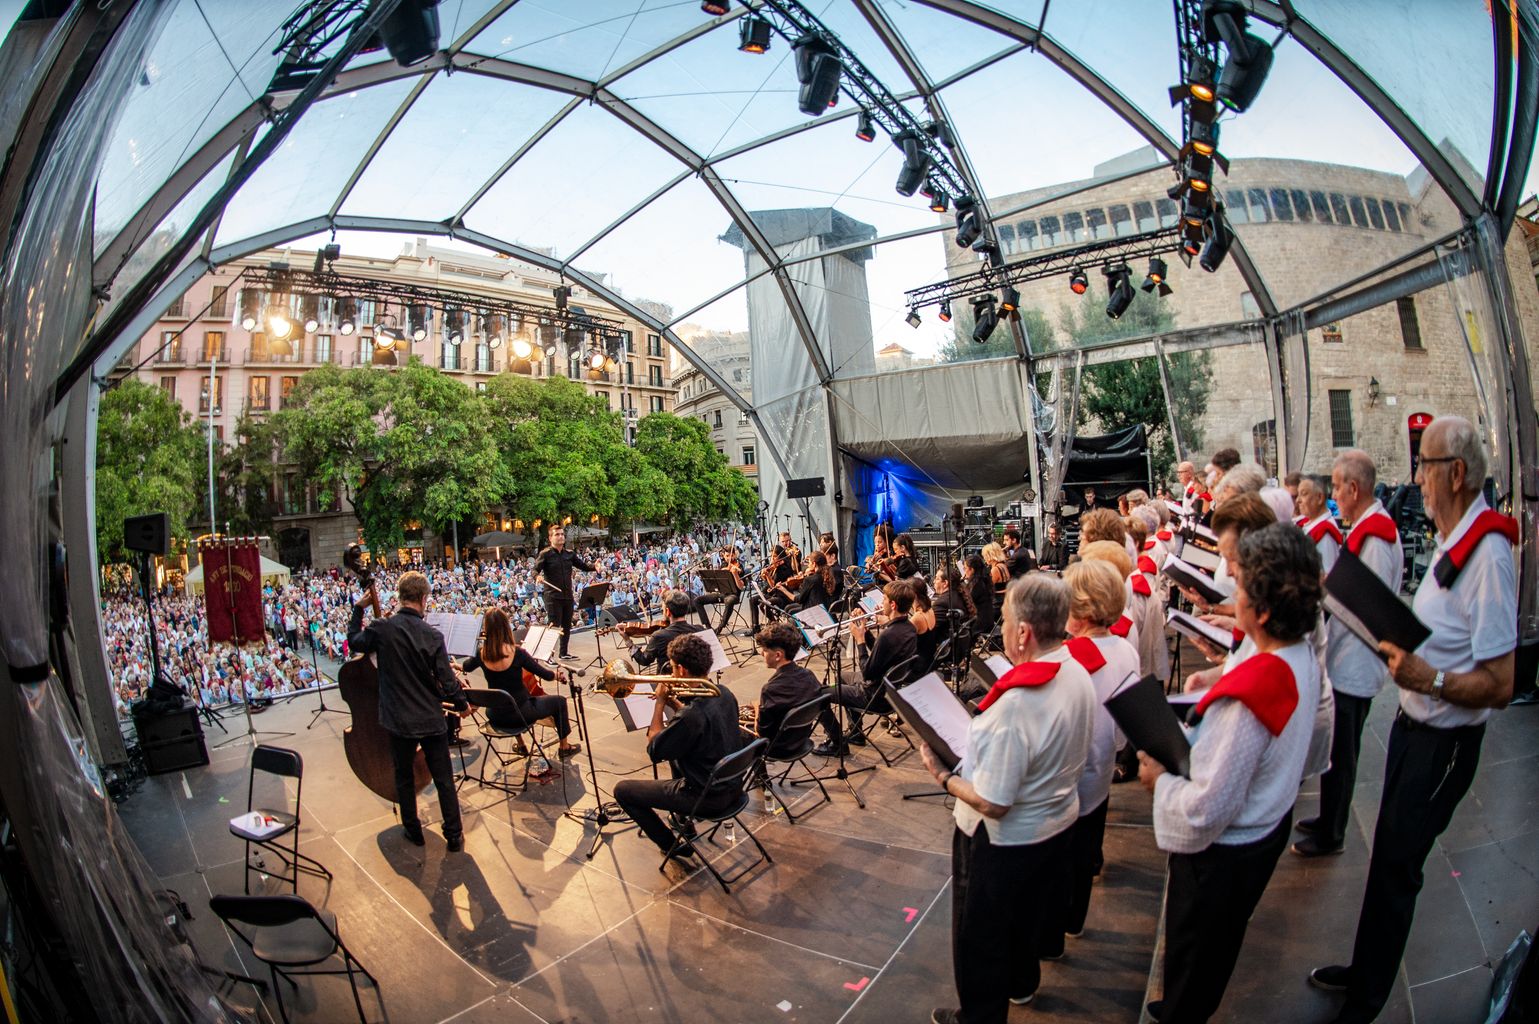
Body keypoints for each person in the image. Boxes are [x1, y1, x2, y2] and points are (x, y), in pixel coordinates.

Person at [1310, 416, 1517, 1024]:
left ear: (1455, 472)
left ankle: (1368, 999)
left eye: (1424, 465)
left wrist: (1432, 680)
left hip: (1444, 741)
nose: (1416, 479)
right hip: (1414, 727)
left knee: (1399, 865)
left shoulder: (1489, 554)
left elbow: (1501, 684)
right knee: (1387, 859)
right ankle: (1364, 969)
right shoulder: (1457, 539)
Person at [1139, 523, 1324, 1024]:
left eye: (1240, 586)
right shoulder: (1296, 650)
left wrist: (1161, 779)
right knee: (1210, 950)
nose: (1232, 594)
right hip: (1265, 826)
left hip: (1224, 859)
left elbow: (1206, 806)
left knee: (1196, 949)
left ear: (1262, 610)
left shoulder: (1246, 703)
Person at [921, 574, 1097, 1024]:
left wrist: (943, 776)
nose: (1000, 628)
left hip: (1003, 841)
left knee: (980, 937)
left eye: (1004, 620)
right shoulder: (1076, 668)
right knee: (1027, 917)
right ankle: (1022, 983)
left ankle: (980, 1015)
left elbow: (994, 801)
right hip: (1057, 823)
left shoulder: (1016, 706)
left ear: (1024, 632)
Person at [1293, 450, 1402, 859]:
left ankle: (1333, 831)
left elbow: (1367, 603)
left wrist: (1323, 591)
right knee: (1338, 747)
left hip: (1357, 659)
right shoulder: (1365, 529)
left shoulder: (1376, 534)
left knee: (1344, 751)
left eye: (1337, 486)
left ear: (1353, 489)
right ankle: (1327, 817)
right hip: (1347, 655)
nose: (1333, 493)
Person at [1044, 559, 1140, 954]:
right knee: (1086, 852)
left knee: (1056, 867)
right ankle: (1074, 921)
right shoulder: (1125, 648)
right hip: (1101, 769)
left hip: (1067, 782)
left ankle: (1049, 940)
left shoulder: (1069, 659)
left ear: (1080, 612)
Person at [347, 570, 472, 852]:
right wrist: (462, 705)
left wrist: (358, 609)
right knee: (443, 779)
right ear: (424, 598)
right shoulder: (431, 634)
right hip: (429, 716)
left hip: (397, 718)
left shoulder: (382, 629)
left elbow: (354, 640)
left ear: (401, 597)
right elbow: (447, 679)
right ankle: (454, 835)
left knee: (402, 775)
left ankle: (413, 830)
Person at [613, 633, 746, 860]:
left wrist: (660, 703)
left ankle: (670, 845)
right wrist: (676, 704)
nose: (672, 674)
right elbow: (700, 727)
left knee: (623, 791)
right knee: (678, 751)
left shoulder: (691, 716)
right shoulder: (725, 693)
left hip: (705, 798)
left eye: (673, 668)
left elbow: (654, 749)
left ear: (682, 670)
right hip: (734, 788)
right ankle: (680, 820)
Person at [457, 608, 580, 759]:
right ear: (506, 627)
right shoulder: (517, 653)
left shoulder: (481, 653)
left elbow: (466, 667)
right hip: (521, 714)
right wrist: (557, 675)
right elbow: (546, 676)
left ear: (486, 628)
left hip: (495, 715)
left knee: (507, 700)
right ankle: (564, 747)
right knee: (560, 702)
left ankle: (521, 745)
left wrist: (455, 665)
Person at [815, 580, 920, 756]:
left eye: (884, 599)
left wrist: (860, 640)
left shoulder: (888, 635)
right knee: (842, 676)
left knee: (818, 694)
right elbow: (882, 654)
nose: (881, 603)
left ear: (893, 605)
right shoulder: (909, 628)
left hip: (873, 694)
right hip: (890, 691)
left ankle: (836, 742)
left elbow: (867, 673)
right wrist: (866, 632)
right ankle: (856, 732)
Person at [749, 621, 822, 744]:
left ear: (778, 655)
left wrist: (757, 707)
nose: (762, 653)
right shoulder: (809, 675)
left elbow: (762, 732)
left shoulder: (770, 689)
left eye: (765, 650)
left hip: (778, 747)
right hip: (801, 739)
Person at [534, 524, 595, 661]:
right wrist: (537, 576)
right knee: (553, 626)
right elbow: (535, 570)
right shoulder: (546, 554)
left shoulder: (569, 554)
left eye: (562, 534)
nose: (560, 536)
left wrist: (594, 567)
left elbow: (583, 566)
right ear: (550, 538)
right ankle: (547, 655)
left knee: (566, 626)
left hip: (567, 596)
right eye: (557, 534)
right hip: (552, 596)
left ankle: (564, 653)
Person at [633, 590, 704, 670]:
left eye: (663, 609)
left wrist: (629, 642)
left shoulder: (659, 636)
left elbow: (644, 660)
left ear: (667, 612)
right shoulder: (699, 629)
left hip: (667, 680)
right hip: (692, 678)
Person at [1294, 475, 1342, 574]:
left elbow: (1327, 575)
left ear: (1320, 498)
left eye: (1303, 494)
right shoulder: (1308, 523)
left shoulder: (1325, 533)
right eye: (1298, 494)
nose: (1298, 500)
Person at [964, 553, 995, 633]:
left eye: (965, 568)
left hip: (980, 623)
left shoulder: (977, 585)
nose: (964, 571)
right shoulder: (983, 580)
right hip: (988, 619)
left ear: (972, 570)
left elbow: (967, 602)